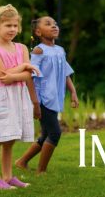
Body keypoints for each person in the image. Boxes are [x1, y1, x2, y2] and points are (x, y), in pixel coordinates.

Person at [0, 5, 39, 190]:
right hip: (3, 99)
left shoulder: (21, 48)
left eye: (15, 26)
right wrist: (23, 67)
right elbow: (2, 77)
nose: (13, 30)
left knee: (10, 139)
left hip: (19, 96)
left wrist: (17, 72)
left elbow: (28, 75)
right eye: (8, 25)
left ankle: (8, 177)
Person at [15, 16, 78, 173]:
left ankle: (22, 162)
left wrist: (73, 92)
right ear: (38, 31)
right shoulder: (39, 50)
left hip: (54, 98)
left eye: (55, 24)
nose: (54, 26)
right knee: (55, 133)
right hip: (43, 99)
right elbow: (31, 75)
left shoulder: (60, 50)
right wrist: (36, 103)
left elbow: (65, 73)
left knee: (46, 134)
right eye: (48, 24)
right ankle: (41, 170)